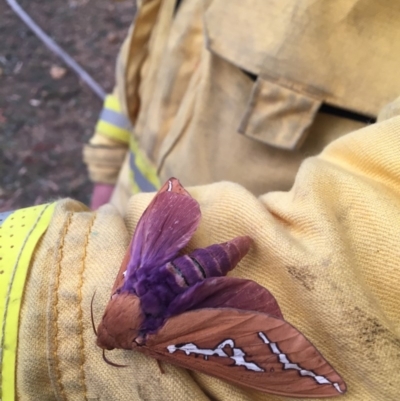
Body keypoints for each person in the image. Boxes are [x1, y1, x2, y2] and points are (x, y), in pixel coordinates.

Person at [1, 1, 400, 400]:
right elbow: (141, 59)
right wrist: (109, 160)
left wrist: (57, 321)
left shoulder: (150, 338)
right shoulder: (126, 287)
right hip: (141, 219)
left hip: (273, 230)